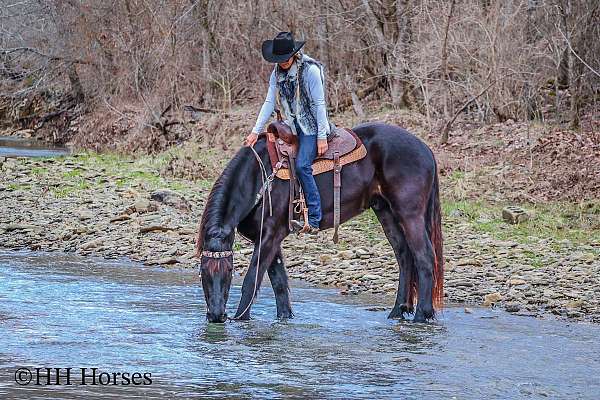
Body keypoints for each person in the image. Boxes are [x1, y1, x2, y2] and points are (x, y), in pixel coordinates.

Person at [245, 31, 332, 234]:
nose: (282, 62)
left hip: (311, 127)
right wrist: (254, 131)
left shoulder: (310, 71)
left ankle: (315, 217)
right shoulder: (276, 74)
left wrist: (321, 136)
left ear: (293, 54)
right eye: (279, 59)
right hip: (292, 126)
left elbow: (320, 104)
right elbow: (269, 102)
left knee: (302, 165)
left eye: (285, 59)